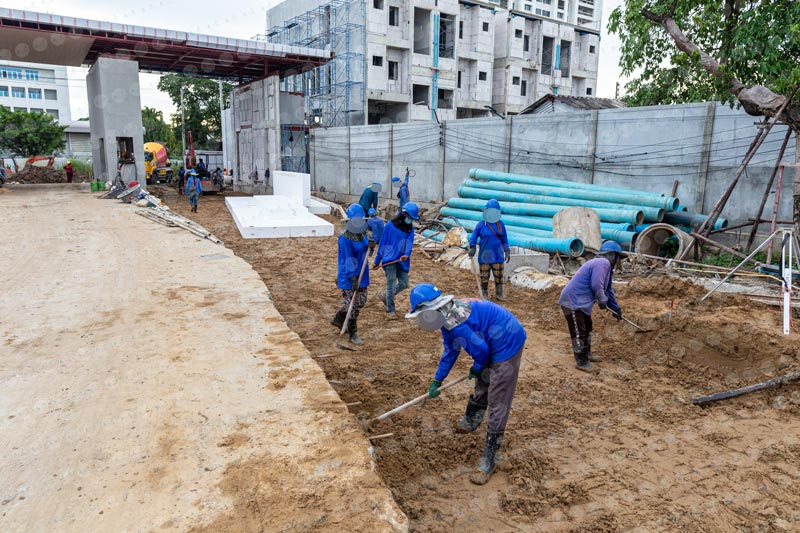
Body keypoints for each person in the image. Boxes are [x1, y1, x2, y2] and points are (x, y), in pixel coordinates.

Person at [406, 283, 526, 485]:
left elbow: (481, 351)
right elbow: (450, 351)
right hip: (490, 340)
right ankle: (472, 419)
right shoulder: (447, 318)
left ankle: (490, 457)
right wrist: (438, 379)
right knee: (483, 381)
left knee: (498, 394)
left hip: (507, 340)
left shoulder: (457, 323)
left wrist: (478, 366)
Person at [558, 241, 623, 373]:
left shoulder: (606, 268)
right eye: (618, 257)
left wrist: (615, 308)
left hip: (581, 303)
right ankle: (581, 361)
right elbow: (596, 285)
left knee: (587, 327)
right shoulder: (602, 263)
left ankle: (587, 354)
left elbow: (608, 290)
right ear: (612, 255)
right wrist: (602, 300)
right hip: (572, 302)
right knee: (579, 332)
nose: (618, 261)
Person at [331, 204, 371, 345]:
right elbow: (348, 259)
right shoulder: (344, 238)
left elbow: (365, 251)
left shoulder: (362, 234)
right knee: (351, 304)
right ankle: (353, 332)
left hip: (362, 272)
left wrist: (371, 247)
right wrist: (353, 278)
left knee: (361, 300)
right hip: (349, 275)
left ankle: (339, 318)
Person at [373, 202, 419, 319]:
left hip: (402, 260)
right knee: (391, 283)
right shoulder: (389, 225)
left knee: (404, 283)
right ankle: (390, 310)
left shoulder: (410, 229)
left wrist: (406, 254)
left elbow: (409, 243)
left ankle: (386, 296)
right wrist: (377, 260)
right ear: (403, 215)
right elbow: (383, 243)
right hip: (389, 260)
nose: (410, 220)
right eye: (409, 218)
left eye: (412, 219)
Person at [469, 199, 511, 301]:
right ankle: (484, 293)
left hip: (498, 256)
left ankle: (499, 294)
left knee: (498, 277)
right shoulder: (481, 225)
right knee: (484, 277)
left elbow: (504, 238)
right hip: (485, 256)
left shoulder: (501, 225)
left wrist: (507, 250)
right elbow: (473, 237)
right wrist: (473, 247)